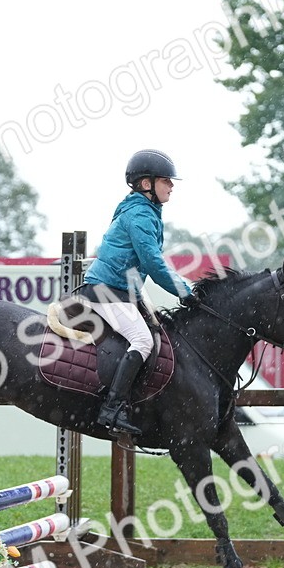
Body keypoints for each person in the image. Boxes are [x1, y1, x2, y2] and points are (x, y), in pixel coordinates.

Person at [77, 148, 196, 436]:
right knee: (143, 341)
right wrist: (186, 292)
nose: (171, 186)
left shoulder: (145, 211)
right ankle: (111, 408)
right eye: (166, 180)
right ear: (146, 184)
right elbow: (153, 264)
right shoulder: (141, 215)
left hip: (123, 288)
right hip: (108, 290)